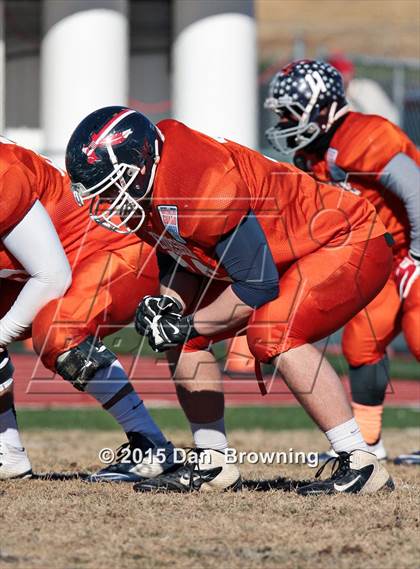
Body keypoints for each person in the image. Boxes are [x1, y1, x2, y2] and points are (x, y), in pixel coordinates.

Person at [66, 106, 397, 495]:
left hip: (348, 238)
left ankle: (361, 462)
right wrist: (169, 307)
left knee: (273, 333)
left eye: (110, 186)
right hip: (284, 252)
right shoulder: (154, 186)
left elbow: (257, 285)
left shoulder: (201, 182)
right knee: (178, 334)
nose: (106, 200)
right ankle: (213, 463)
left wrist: (189, 323)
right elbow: (180, 252)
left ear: (140, 165)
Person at [264, 59, 420, 464]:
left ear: (323, 107)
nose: (284, 120)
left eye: (290, 112)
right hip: (383, 258)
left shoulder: (365, 135)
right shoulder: (314, 153)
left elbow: (417, 192)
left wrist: (417, 257)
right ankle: (368, 445)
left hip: (415, 249)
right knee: (362, 343)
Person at [0, 134, 174, 481]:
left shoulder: (4, 172)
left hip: (109, 250)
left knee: (57, 330)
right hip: (39, 267)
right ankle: (8, 453)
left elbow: (52, 276)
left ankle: (151, 444)